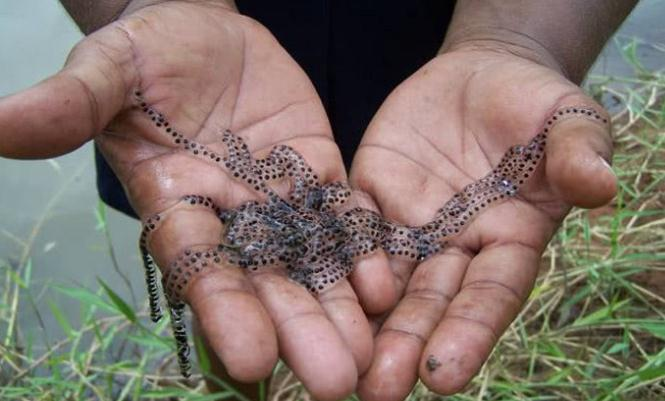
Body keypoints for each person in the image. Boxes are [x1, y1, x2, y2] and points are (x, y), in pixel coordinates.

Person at [0, 1, 634, 400]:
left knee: (380, 310)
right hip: (202, 84)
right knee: (221, 272)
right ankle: (234, 386)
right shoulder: (231, 175)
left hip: (431, 61)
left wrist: (518, 39)